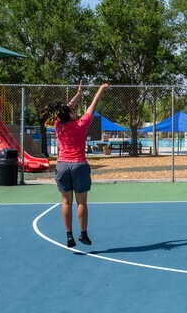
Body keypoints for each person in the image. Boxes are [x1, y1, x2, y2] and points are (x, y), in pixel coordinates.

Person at [53, 81, 110, 247]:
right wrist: (101, 88)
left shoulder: (59, 126)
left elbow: (65, 108)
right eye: (72, 110)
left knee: (65, 203)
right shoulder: (81, 125)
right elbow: (93, 104)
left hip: (62, 165)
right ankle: (83, 234)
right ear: (71, 115)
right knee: (82, 202)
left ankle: (69, 235)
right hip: (78, 164)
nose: (74, 110)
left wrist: (77, 94)